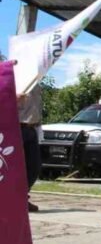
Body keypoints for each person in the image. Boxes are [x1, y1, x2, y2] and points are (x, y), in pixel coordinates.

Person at [17, 84, 43, 212]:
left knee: (34, 166)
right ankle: (11, 200)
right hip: (15, 127)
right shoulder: (12, 77)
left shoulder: (36, 82)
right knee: (11, 167)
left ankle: (21, 198)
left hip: (32, 128)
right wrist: (13, 98)